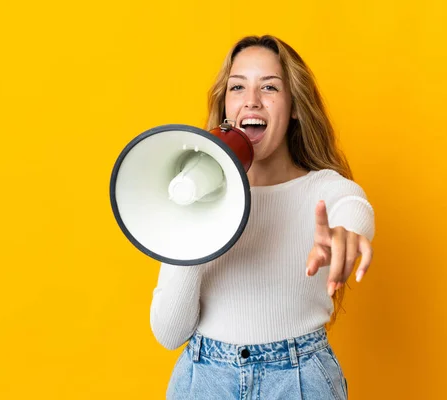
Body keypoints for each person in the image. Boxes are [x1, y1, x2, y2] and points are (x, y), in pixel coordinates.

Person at [150, 35, 375, 399]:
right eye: (237, 87)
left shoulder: (323, 189)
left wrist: (345, 233)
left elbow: (353, 205)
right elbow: (169, 332)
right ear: (227, 106)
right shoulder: (193, 195)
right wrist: (191, 221)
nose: (251, 100)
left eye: (269, 87)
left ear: (295, 106)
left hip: (298, 381)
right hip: (204, 380)